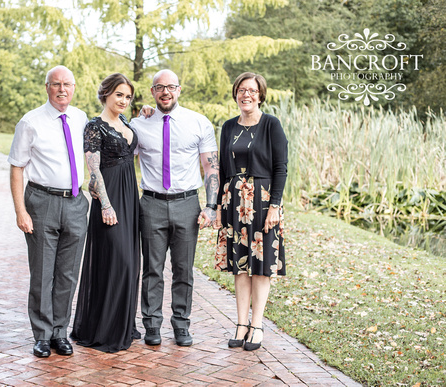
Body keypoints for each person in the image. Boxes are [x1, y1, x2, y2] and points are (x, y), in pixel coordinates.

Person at [130, 69, 219, 347]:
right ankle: (152, 325)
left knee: (184, 270)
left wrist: (212, 206)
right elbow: (120, 158)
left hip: (187, 205)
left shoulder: (198, 123)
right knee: (152, 269)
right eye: (159, 87)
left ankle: (181, 325)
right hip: (152, 204)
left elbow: (210, 167)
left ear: (179, 89)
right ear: (152, 91)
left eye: (170, 86)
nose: (165, 92)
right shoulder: (138, 125)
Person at [8, 65, 88, 358]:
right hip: (42, 202)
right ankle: (42, 335)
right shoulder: (30, 122)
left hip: (76, 204)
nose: (62, 89)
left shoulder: (80, 118)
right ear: (47, 87)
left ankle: (60, 332)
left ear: (74, 87)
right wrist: (21, 211)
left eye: (67, 84)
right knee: (42, 272)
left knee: (68, 274)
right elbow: (16, 167)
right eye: (56, 84)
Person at [213, 72, 288, 351]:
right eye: (242, 90)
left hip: (263, 201)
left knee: (261, 265)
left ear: (261, 94)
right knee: (240, 266)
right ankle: (241, 324)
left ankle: (257, 325)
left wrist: (275, 206)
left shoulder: (271, 125)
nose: (247, 95)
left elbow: (281, 168)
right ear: (235, 94)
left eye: (252, 91)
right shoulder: (229, 127)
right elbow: (222, 169)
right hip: (234, 203)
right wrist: (220, 206)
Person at [70, 73, 141, 353]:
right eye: (119, 95)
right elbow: (94, 168)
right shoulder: (94, 126)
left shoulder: (125, 122)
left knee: (130, 263)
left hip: (129, 196)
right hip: (109, 197)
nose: (123, 100)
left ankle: (122, 324)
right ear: (106, 95)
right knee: (117, 261)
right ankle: (104, 329)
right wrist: (106, 204)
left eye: (127, 96)